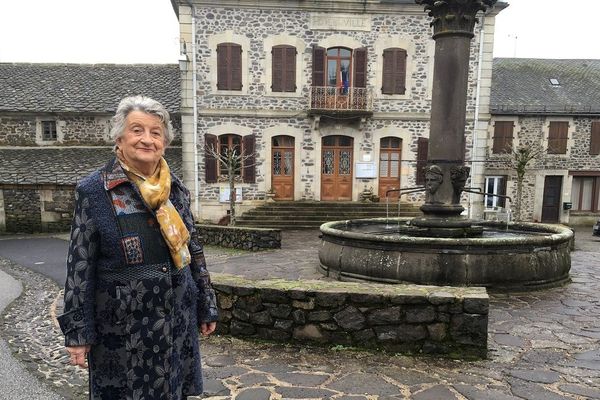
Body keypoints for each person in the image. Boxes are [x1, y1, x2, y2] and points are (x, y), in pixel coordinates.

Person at [57, 95, 218, 400]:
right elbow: (79, 265)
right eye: (137, 130)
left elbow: (192, 249)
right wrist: (78, 333)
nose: (147, 140)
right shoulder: (95, 190)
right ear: (119, 137)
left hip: (176, 321)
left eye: (155, 133)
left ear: (165, 142)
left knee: (174, 392)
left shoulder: (176, 189)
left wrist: (206, 302)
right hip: (124, 331)